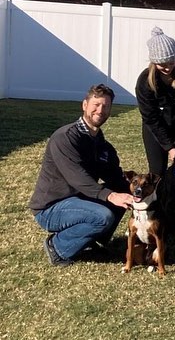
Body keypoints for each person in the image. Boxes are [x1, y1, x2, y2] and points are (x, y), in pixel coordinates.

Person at [29, 84, 135, 267]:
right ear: (84, 105)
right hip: (52, 207)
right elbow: (77, 178)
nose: (100, 110)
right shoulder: (65, 138)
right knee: (103, 216)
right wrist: (110, 196)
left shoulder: (102, 145)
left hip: (79, 200)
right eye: (96, 104)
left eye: (105, 106)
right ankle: (57, 247)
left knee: (124, 190)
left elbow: (116, 177)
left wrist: (140, 192)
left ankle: (88, 242)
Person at [135, 26, 175, 176]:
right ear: (153, 62)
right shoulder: (144, 81)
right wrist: (169, 147)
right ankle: (158, 199)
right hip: (155, 130)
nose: (167, 68)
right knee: (157, 172)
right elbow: (150, 117)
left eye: (171, 62)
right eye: (162, 64)